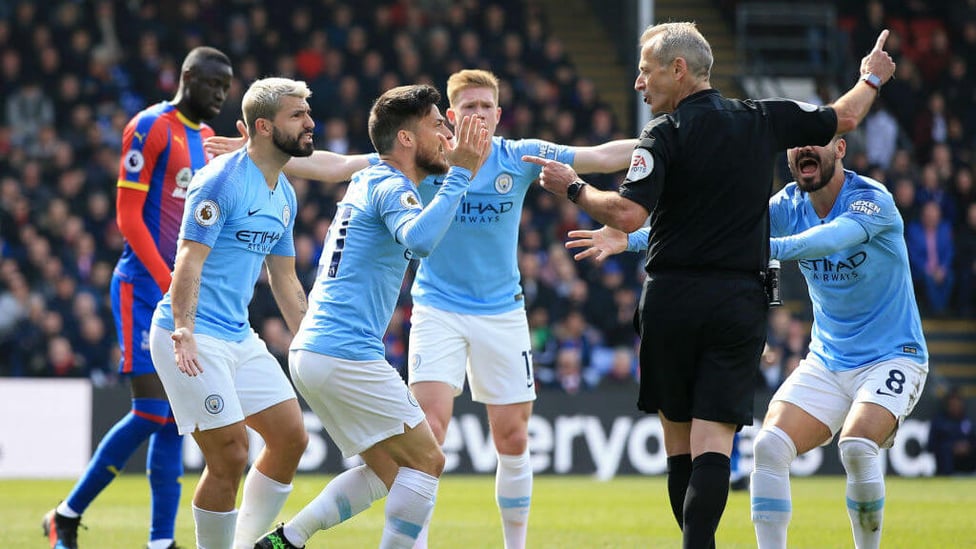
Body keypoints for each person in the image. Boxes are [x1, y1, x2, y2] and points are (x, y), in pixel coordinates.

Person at [523, 22, 896, 548]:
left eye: (646, 71)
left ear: (678, 70)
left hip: (673, 298)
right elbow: (849, 114)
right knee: (714, 444)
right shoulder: (763, 118)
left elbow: (628, 212)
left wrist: (575, 188)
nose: (637, 83)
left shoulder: (664, 134)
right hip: (738, 303)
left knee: (680, 446)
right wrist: (872, 77)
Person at [250, 68, 636, 549]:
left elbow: (599, 157)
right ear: (449, 120)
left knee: (416, 461)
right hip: (417, 317)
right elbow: (407, 228)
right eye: (461, 111)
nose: (474, 118)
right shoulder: (418, 172)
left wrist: (659, 143)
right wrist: (260, 156)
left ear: (499, 114)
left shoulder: (506, 157)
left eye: (485, 106)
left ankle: (287, 538)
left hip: (488, 313)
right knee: (427, 456)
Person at [567, 134, 928, 549]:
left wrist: (749, 248)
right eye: (797, 144)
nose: (804, 149)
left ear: (840, 149)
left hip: (892, 356)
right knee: (770, 447)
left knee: (858, 444)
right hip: (829, 359)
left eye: (818, 142)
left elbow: (826, 241)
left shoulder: (871, 200)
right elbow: (709, 228)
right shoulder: (788, 204)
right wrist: (629, 239)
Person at [253, 84, 489, 549]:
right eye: (437, 123)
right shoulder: (387, 185)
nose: (446, 132)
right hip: (344, 352)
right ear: (405, 138)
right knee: (428, 462)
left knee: (390, 473)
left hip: (318, 352)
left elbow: (336, 165)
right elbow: (419, 241)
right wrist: (461, 171)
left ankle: (287, 540)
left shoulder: (369, 176)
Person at [43, 46, 233, 549]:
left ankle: (159, 541)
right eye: (213, 84)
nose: (220, 95)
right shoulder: (149, 127)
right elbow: (128, 216)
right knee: (152, 412)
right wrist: (169, 276)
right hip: (142, 289)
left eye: (226, 88)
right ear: (187, 77)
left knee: (173, 421)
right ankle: (65, 514)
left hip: (179, 297)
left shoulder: (209, 140)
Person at [148, 77, 316, 549]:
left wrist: (308, 341)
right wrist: (183, 329)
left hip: (238, 337)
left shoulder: (283, 193)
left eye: (308, 113)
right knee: (231, 455)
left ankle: (243, 544)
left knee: (290, 438)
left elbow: (284, 279)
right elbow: (188, 260)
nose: (310, 122)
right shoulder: (221, 180)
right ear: (263, 127)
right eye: (297, 115)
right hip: (192, 334)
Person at [928, 386, 976, 476]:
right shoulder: (939, 422)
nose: (955, 407)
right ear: (947, 405)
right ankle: (947, 477)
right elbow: (931, 445)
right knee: (945, 452)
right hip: (947, 462)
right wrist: (952, 447)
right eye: (952, 405)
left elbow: (973, 440)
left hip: (967, 460)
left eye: (957, 404)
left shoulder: (967, 421)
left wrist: (967, 446)